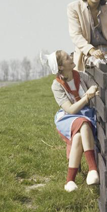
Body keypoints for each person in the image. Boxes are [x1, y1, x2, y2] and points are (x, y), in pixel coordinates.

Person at [42, 50, 100, 192]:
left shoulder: (81, 76)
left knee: (79, 136)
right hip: (68, 118)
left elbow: (95, 86)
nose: (72, 58)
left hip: (85, 114)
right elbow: (71, 109)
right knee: (83, 123)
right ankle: (93, 169)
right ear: (61, 67)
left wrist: (94, 88)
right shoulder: (57, 85)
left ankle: (70, 181)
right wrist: (87, 97)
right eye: (68, 58)